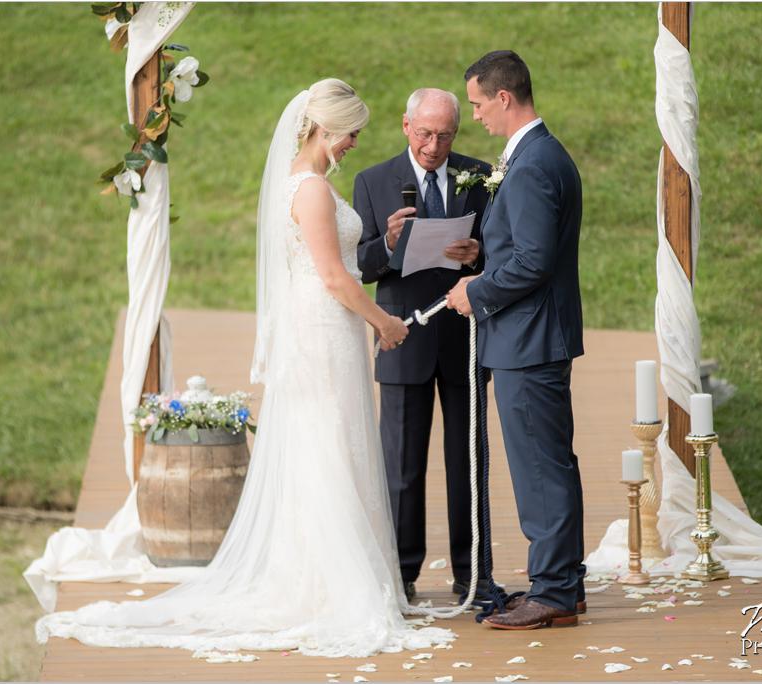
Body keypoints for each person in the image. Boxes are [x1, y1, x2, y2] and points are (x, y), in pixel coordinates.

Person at [35, 79, 456, 657]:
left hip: (326, 326)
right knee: (328, 447)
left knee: (334, 446)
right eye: (352, 131)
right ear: (326, 131)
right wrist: (382, 323)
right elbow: (334, 277)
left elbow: (335, 263)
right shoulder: (309, 190)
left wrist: (381, 240)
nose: (357, 141)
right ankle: (327, 586)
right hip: (324, 328)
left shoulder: (308, 186)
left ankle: (332, 576)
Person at [447, 51, 586, 630]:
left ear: (504, 98)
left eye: (477, 103)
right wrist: (487, 256)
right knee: (551, 462)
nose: (475, 115)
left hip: (528, 342)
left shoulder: (529, 165)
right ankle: (565, 584)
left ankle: (552, 590)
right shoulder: (543, 154)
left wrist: (475, 293)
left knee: (540, 469)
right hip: (537, 339)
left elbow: (533, 261)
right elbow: (527, 250)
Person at [353, 88, 490, 602]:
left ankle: (472, 575)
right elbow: (359, 267)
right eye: (426, 133)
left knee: (468, 465)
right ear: (405, 125)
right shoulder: (372, 181)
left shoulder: (480, 177)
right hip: (402, 336)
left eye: (446, 134)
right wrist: (387, 244)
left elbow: (500, 252)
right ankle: (401, 575)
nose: (434, 145)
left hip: (465, 339)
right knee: (402, 470)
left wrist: (479, 252)